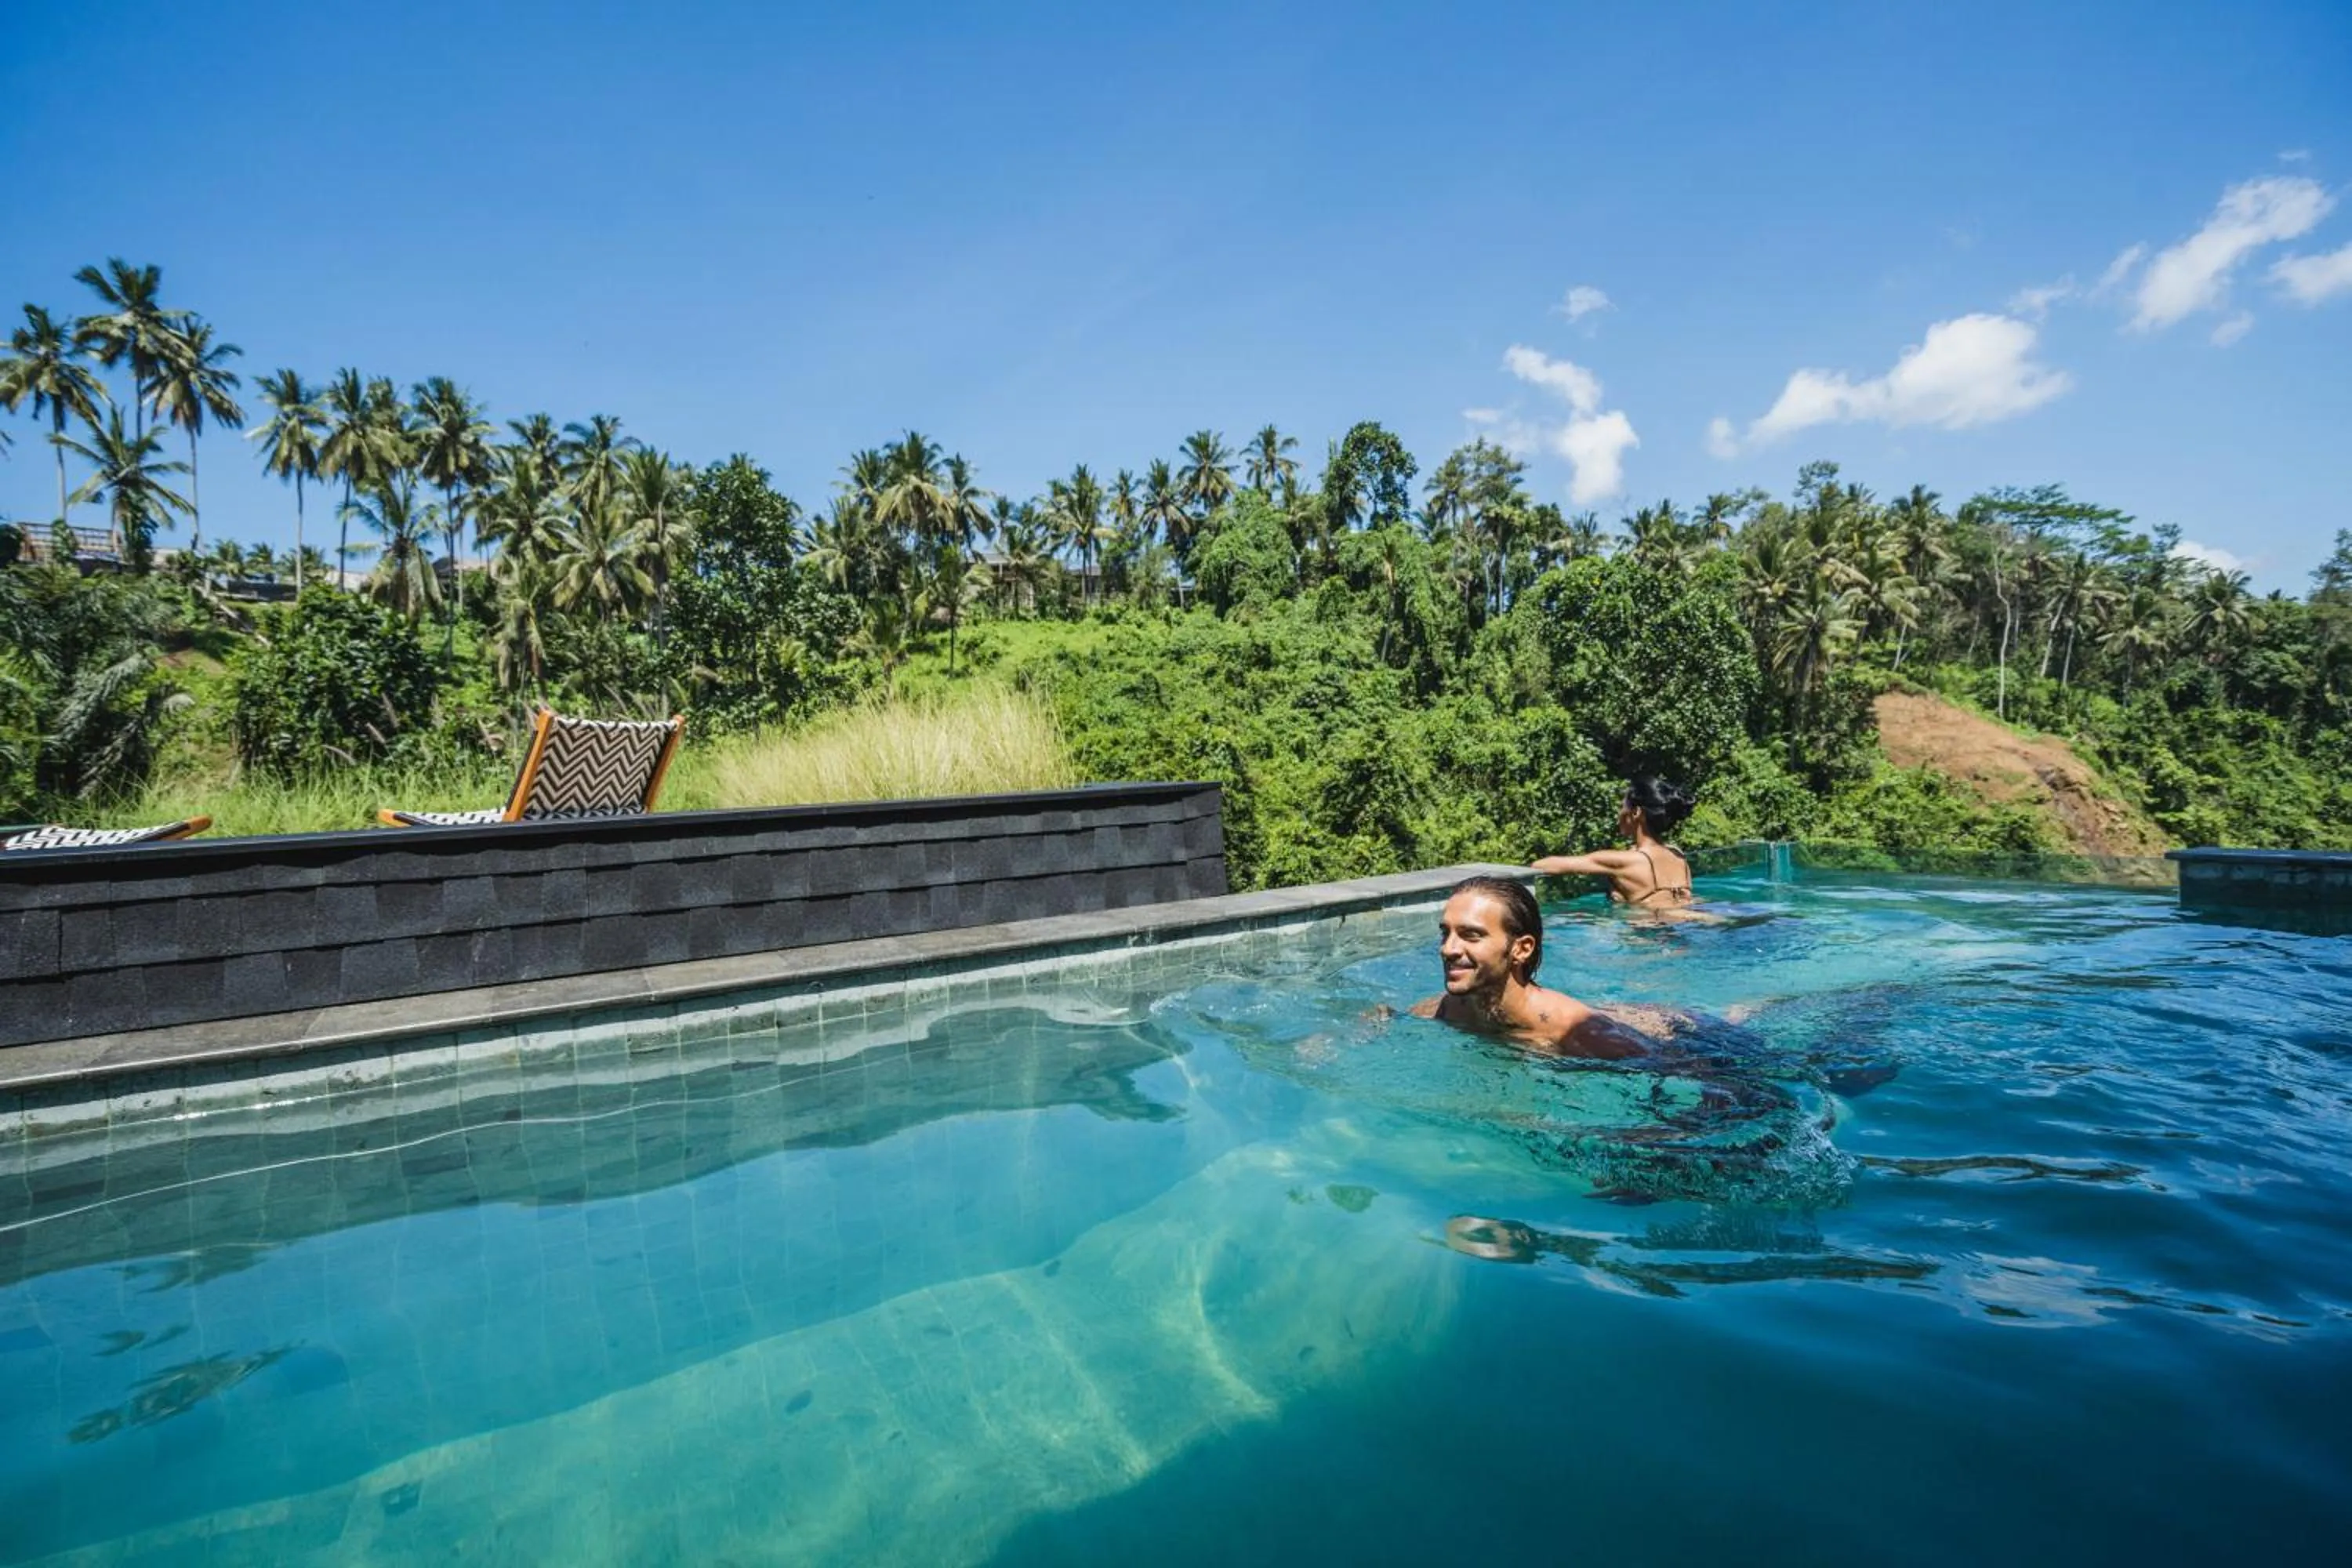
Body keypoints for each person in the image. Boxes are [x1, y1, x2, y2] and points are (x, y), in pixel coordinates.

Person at [1407, 875, 1662, 1060]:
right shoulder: (1445, 1009)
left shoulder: (1575, 1033)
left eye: (1471, 935)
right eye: (1446, 933)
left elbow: (1680, 1071)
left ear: (1522, 949)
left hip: (1671, 1030)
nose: (1448, 949)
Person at [1531, 775, 1697, 909]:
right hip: (1682, 936)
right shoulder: (1678, 856)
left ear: (1636, 813)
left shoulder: (1623, 861)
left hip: (1647, 940)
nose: (1620, 813)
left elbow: (1542, 866)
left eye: (1622, 806)